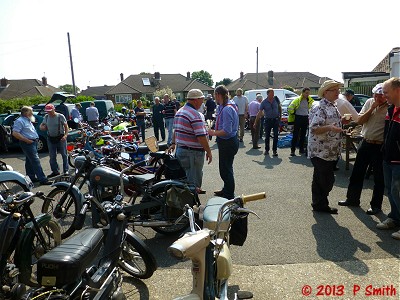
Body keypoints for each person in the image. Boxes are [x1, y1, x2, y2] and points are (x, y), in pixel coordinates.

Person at [338, 83, 388, 215]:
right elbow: (360, 120)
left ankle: (376, 206)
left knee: (379, 177)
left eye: (381, 96)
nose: (378, 98)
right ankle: (352, 199)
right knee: (357, 172)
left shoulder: (391, 106)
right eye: (376, 96)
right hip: (365, 141)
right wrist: (372, 108)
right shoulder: (370, 102)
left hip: (380, 145)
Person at [308, 80, 343, 214]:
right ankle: (320, 204)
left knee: (322, 179)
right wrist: (330, 127)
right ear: (326, 92)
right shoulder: (320, 107)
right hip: (321, 151)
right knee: (325, 180)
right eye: (335, 90)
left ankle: (319, 204)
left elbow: (330, 122)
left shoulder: (331, 105)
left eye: (338, 90)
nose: (338, 92)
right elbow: (314, 128)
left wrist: (342, 122)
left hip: (329, 150)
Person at [169, 89, 212, 194]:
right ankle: (191, 204)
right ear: (196, 100)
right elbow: (201, 136)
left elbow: (176, 130)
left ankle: (187, 201)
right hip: (192, 153)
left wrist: (173, 143)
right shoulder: (194, 114)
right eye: (202, 100)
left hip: (182, 150)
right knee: (192, 183)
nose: (203, 102)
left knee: (184, 179)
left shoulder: (180, 111)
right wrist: (209, 151)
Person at [377, 77, 400, 240]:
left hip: (399, 160)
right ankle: (394, 218)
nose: (384, 96)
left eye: (386, 92)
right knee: (391, 191)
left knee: (397, 191)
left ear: (397, 90)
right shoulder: (391, 109)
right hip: (388, 158)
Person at [208, 85, 239, 199]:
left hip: (228, 142)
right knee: (226, 168)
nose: (214, 97)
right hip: (228, 142)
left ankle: (229, 195)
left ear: (218, 95)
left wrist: (212, 133)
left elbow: (227, 130)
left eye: (215, 95)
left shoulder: (227, 109)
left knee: (225, 170)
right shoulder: (224, 106)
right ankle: (226, 189)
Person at [12, 106, 51, 185]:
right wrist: (27, 140)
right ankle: (43, 179)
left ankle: (31, 178)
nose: (32, 113)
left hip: (33, 142)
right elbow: (15, 133)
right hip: (27, 143)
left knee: (29, 161)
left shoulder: (28, 120)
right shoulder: (19, 121)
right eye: (31, 111)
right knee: (35, 160)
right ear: (26, 113)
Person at [40, 104, 69, 177]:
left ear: (54, 109)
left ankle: (66, 170)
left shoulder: (60, 116)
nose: (49, 113)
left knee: (64, 154)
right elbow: (42, 125)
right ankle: (55, 171)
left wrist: (65, 135)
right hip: (50, 138)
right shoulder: (46, 117)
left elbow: (66, 127)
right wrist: (42, 127)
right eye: (47, 111)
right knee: (52, 156)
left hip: (60, 137)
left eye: (50, 111)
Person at [254, 88, 282, 156]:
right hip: (268, 121)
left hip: (275, 120)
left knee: (276, 135)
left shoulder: (276, 100)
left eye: (273, 93)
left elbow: (279, 108)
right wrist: (255, 122)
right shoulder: (264, 102)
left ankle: (274, 150)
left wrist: (280, 117)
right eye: (271, 93)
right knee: (267, 136)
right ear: (268, 94)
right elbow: (260, 112)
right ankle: (267, 150)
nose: (273, 94)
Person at [288, 87, 314, 156]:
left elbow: (313, 107)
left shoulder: (310, 100)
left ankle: (301, 149)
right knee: (295, 135)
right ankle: (292, 150)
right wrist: (293, 113)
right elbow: (290, 108)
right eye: (306, 93)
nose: (307, 94)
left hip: (305, 118)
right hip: (298, 118)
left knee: (303, 135)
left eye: (308, 93)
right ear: (302, 93)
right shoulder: (297, 100)